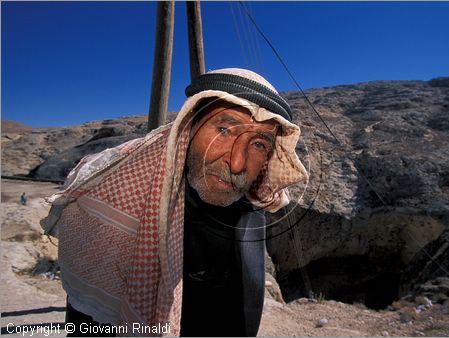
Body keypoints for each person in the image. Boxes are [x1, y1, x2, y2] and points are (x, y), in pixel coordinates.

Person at [41, 68, 308, 336]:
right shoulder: (120, 209)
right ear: (188, 128)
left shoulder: (252, 214)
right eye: (224, 130)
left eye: (259, 144)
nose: (237, 163)